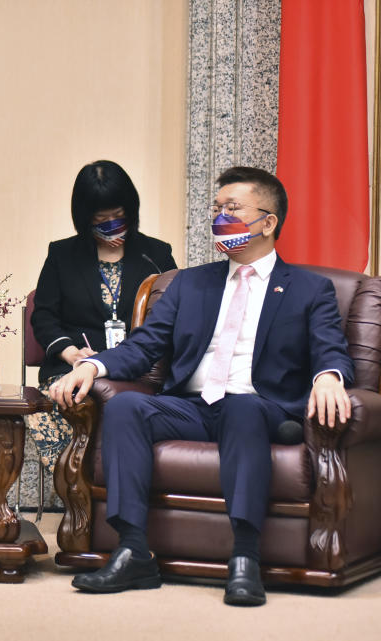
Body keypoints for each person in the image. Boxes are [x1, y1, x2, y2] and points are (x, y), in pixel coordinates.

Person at [51, 166, 353, 606]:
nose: (220, 217)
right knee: (124, 408)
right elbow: (143, 347)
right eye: (216, 208)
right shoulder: (189, 283)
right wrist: (92, 367)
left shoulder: (310, 289)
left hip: (258, 405)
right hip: (190, 406)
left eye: (232, 208)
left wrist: (328, 376)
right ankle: (133, 549)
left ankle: (245, 557)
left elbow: (331, 347)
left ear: (268, 222)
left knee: (243, 408)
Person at [28, 160, 176, 472]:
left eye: (118, 217)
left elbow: (172, 317)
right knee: (65, 401)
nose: (112, 226)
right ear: (84, 218)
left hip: (137, 372)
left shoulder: (156, 254)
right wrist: (72, 354)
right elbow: (43, 316)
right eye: (101, 219)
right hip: (71, 369)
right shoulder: (62, 255)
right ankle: (77, 493)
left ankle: (116, 489)